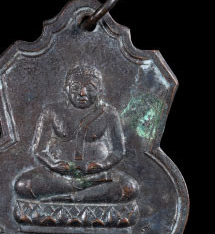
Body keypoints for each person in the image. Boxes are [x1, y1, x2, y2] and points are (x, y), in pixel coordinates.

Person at [14, 65, 138, 203]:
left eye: (90, 88)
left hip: (98, 177)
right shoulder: (52, 112)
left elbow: (118, 150)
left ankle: (68, 197)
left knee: (129, 187)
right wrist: (53, 164)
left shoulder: (109, 113)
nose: (82, 93)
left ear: (100, 91)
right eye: (75, 88)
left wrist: (102, 165)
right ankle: (86, 195)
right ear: (65, 90)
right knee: (24, 184)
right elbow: (39, 149)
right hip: (59, 177)